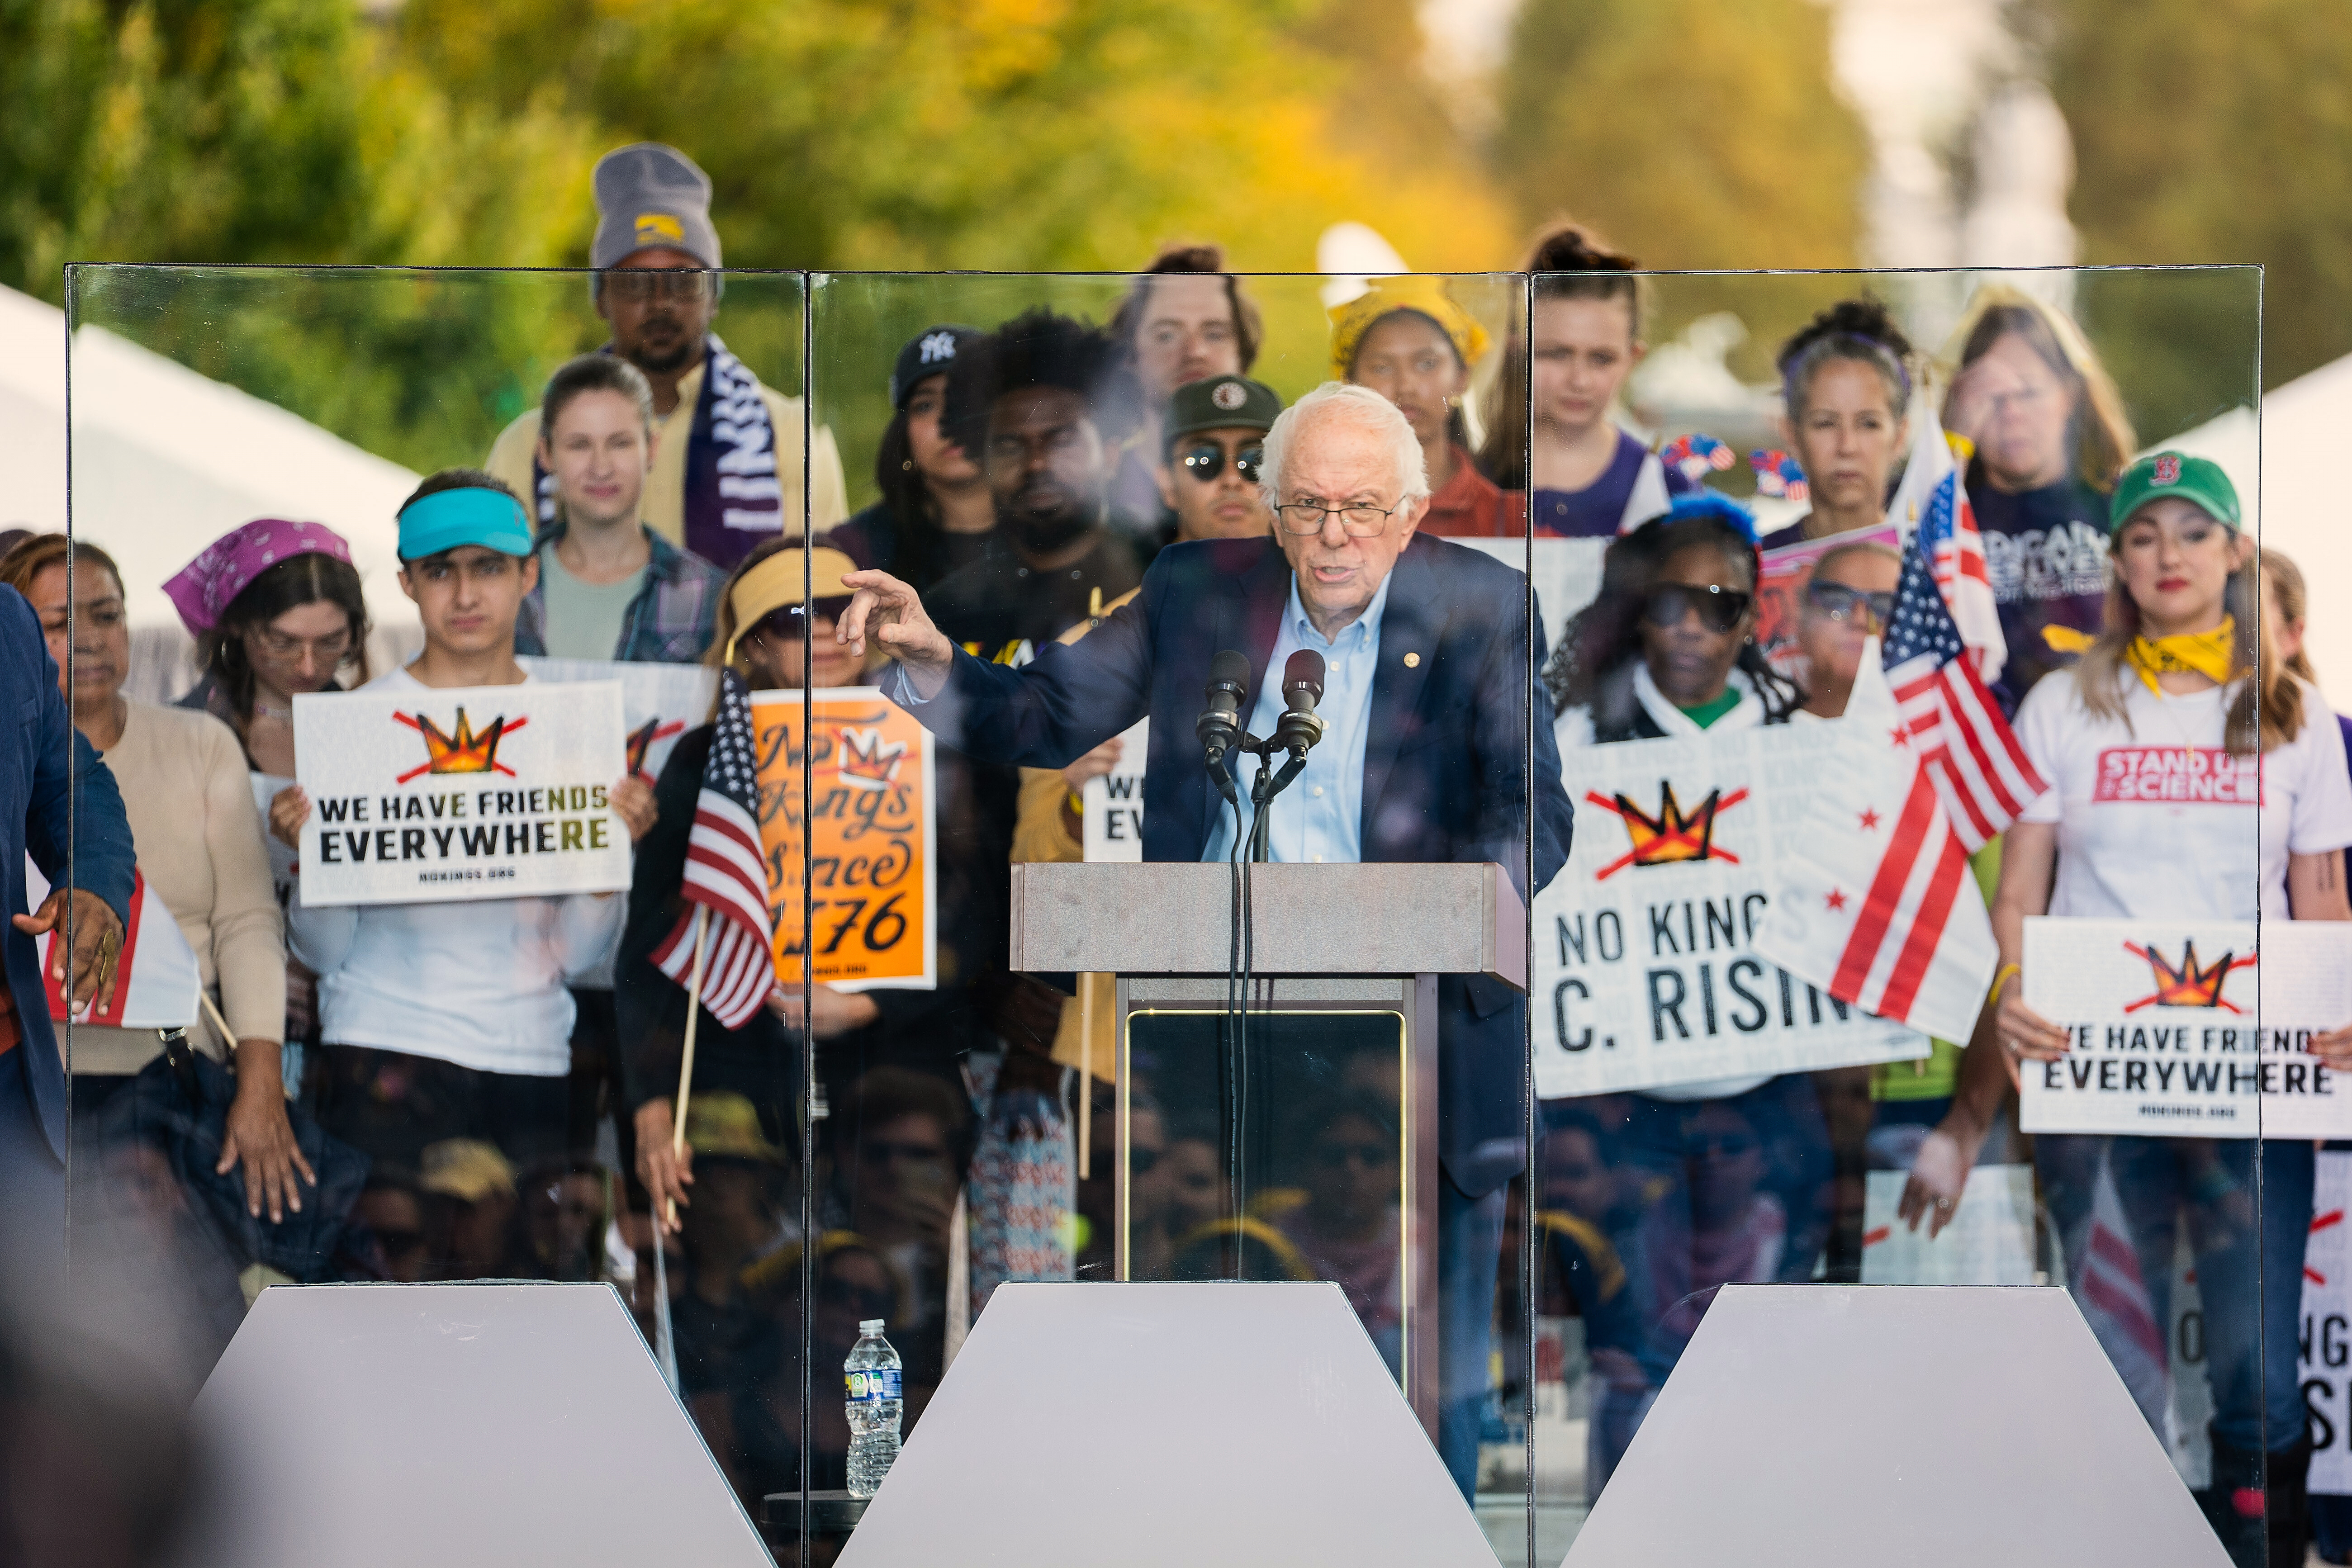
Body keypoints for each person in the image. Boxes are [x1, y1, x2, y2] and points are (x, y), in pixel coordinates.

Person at [835, 379, 1573, 1496]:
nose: (1333, 535)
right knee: (1225, 1372)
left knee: (1416, 1389)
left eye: (1362, 508)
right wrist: (932, 660)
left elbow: (1533, 814)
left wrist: (1460, 908)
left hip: (1411, 1048)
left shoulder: (1483, 607)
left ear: (1410, 514)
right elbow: (1046, 713)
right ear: (1269, 511)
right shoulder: (1195, 591)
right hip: (1217, 1037)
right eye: (1308, 506)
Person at [1909, 454, 2351, 1568]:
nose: (2167, 556)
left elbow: (2321, 898)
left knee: (2255, 1365)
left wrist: (2339, 1004)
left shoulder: (2293, 718)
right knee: (2111, 1355)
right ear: (2114, 558)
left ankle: (2268, 1556)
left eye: (2191, 534)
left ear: (2233, 553)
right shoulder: (2060, 702)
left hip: (2249, 1084)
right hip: (2096, 1082)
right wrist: (2013, 1000)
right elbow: (2020, 888)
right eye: (2143, 536)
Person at [275, 472, 654, 1206]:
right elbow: (320, 954)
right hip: (380, 1047)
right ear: (408, 584)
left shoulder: (571, 730)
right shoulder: (354, 729)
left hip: (530, 1051)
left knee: (526, 1309)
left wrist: (610, 861)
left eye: (488, 567)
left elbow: (577, 955)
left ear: (528, 575)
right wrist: (310, 856)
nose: (466, 593)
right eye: (441, 570)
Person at [2, 536, 304, 1222]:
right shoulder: (12, 759)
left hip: (172, 1083)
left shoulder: (201, 743)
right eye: (58, 622)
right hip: (33, 1081)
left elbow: (248, 923)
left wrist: (261, 1082)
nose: (88, 639)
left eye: (106, 613)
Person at [623, 540, 863, 1233]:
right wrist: (651, 1105)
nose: (824, 629)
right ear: (753, 642)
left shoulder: (919, 740)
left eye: (842, 609)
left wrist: (871, 1007)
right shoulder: (705, 759)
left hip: (882, 1074)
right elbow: (649, 944)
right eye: (796, 615)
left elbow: (963, 930)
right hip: (736, 1069)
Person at [483, 142, 847, 569]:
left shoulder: (791, 439)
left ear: (714, 296)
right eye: (637, 280)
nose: (661, 301)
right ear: (601, 299)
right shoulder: (527, 447)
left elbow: (824, 606)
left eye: (684, 279)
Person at [1009, 373, 1288, 869]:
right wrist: (1078, 801)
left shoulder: (1333, 637)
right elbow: (1031, 859)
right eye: (1203, 460)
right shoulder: (1091, 651)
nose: (1231, 478)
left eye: (1254, 460)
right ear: (1164, 479)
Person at [163, 519, 372, 1091]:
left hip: (344, 1030)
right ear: (236, 624)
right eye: (281, 642)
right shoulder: (187, 734)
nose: (308, 665)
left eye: (332, 642)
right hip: (212, 1023)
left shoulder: (377, 734)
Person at [0, 578, 132, 1262]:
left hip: (12, 1084)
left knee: (27, 1357)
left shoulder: (8, 619)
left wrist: (92, 881)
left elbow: (69, 781)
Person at [1939, 283, 2137, 715]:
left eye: (2027, 391)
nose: (2011, 412)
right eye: (1990, 397)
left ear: (2070, 394)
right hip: (1985, 752)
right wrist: (1951, 447)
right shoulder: (1943, 509)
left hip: (2103, 736)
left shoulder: (2123, 505)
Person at [926, 308, 1147, 664]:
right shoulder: (948, 612)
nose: (1037, 463)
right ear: (983, 464)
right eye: (1010, 446)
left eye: (1060, 440)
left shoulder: (1159, 579)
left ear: (1110, 454)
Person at [512, 354, 728, 664]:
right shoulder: (506, 589)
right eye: (579, 445)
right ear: (546, 454)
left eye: (620, 443)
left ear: (651, 449)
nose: (601, 467)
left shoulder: (709, 596)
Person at [1481, 224, 1690, 537]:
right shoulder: (1468, 481)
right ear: (1518, 352)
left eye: (1601, 359)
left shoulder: (1670, 494)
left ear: (1632, 359)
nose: (1579, 380)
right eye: (1556, 354)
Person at [1547, 493, 1805, 744]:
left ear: (1751, 620)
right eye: (1667, 603)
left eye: (1719, 606)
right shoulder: (1575, 738)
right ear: (1640, 612)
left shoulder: (1797, 734)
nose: (1690, 628)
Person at [1105, 245, 1261, 545]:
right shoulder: (1097, 492)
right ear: (1129, 354)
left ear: (1242, 354)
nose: (1194, 352)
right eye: (1167, 334)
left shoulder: (1281, 488)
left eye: (1215, 334)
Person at [1331, 277, 1506, 538]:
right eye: (1382, 367)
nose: (1406, 386)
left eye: (1427, 364)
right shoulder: (1325, 511)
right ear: (1350, 382)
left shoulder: (1509, 519)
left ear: (1462, 377)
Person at [830, 325, 996, 592]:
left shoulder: (1060, 531)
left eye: (968, 399)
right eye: (926, 406)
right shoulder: (855, 548)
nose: (948, 422)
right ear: (903, 433)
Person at [1756, 299, 1913, 552]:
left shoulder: (1929, 569)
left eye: (1869, 424)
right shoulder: (1758, 567)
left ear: (1900, 436)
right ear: (1791, 433)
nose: (1847, 446)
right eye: (1825, 424)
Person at [1790, 540, 1900, 720]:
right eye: (1836, 600)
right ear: (1800, 617)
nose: (1860, 621)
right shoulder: (1752, 721)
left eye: (1886, 606)